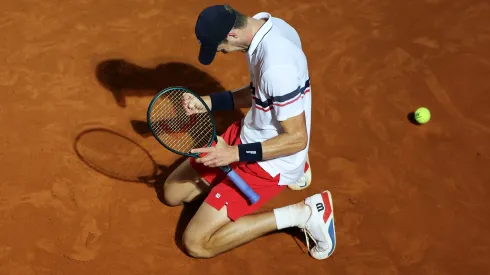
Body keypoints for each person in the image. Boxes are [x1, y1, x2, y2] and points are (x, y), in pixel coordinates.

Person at [162, 4, 336, 260]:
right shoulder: (267, 28)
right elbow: (260, 94)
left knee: (197, 243)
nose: (220, 52)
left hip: (269, 164)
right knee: (172, 193)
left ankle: (305, 213)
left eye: (218, 47)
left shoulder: (277, 67)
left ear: (232, 34)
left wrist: (233, 154)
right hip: (249, 135)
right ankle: (299, 168)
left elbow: (297, 138)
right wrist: (209, 102)